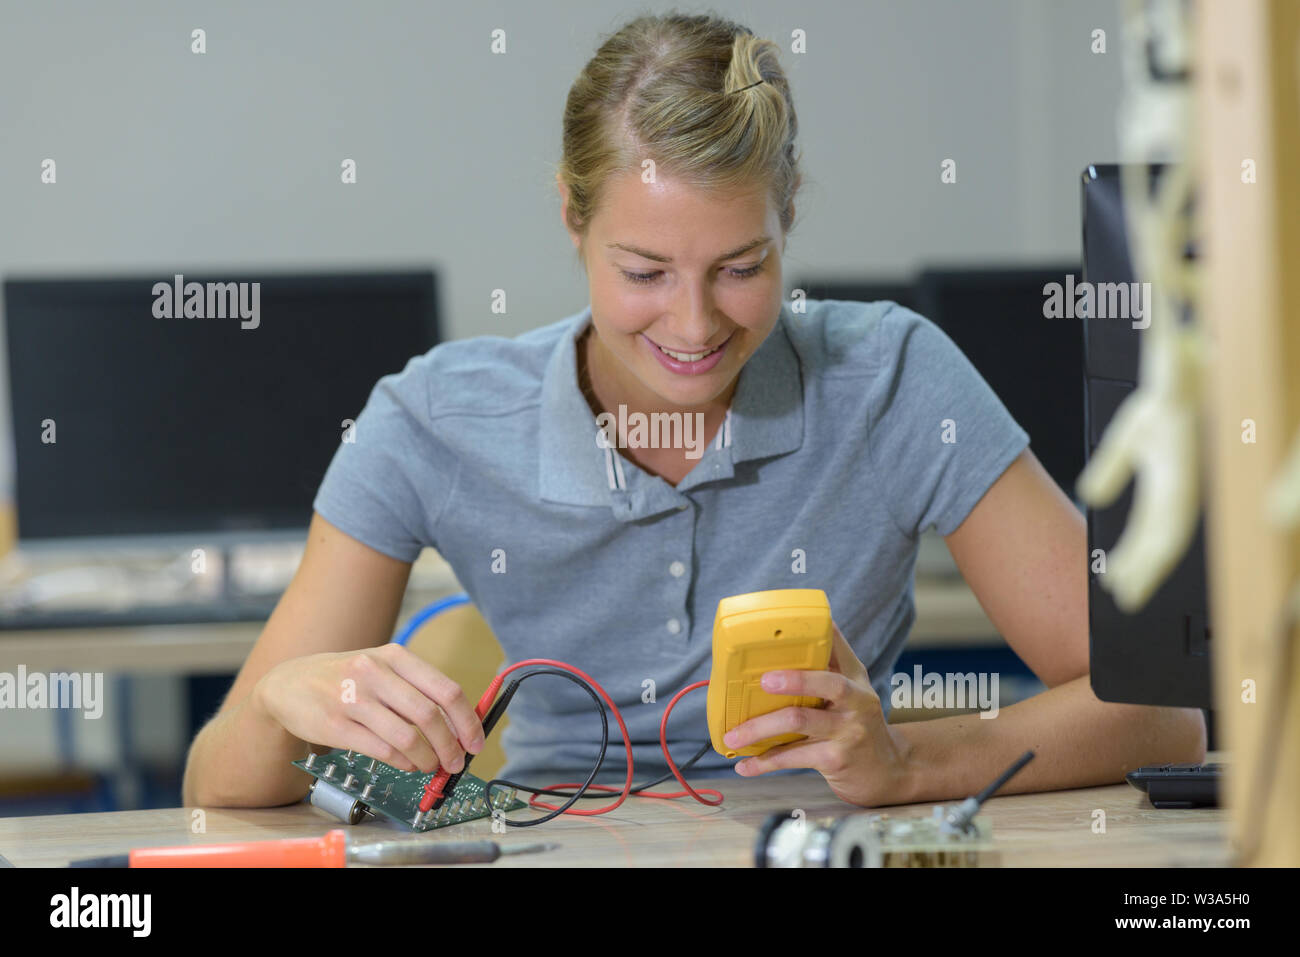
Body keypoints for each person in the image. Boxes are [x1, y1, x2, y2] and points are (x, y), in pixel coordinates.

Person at [183, 12, 1205, 811]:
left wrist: (906, 763)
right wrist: (281, 704)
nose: (693, 323)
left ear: (789, 214)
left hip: (812, 839)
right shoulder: (430, 419)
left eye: (740, 267)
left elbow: (1160, 715)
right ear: (571, 217)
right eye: (642, 271)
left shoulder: (893, 377)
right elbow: (217, 783)